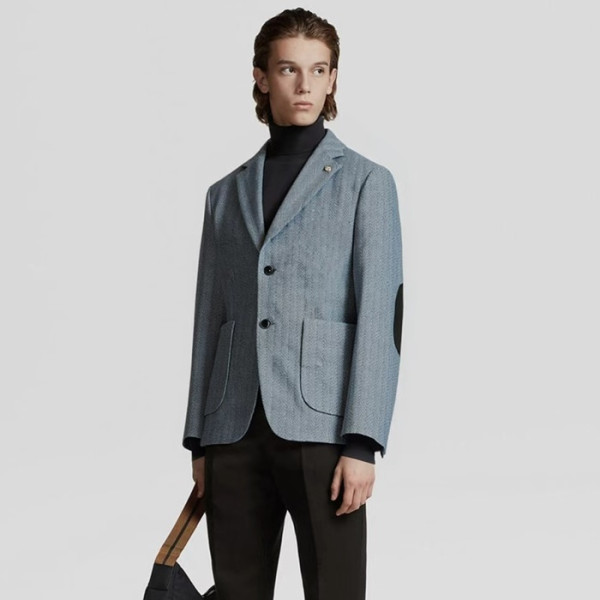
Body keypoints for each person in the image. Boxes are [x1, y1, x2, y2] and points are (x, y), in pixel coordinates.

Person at [181, 7, 403, 600]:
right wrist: (199, 440)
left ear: (333, 80)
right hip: (232, 430)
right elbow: (209, 318)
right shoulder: (225, 194)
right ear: (261, 77)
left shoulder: (366, 183)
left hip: (324, 429)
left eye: (318, 69)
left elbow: (379, 319)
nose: (304, 84)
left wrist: (363, 441)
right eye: (288, 69)